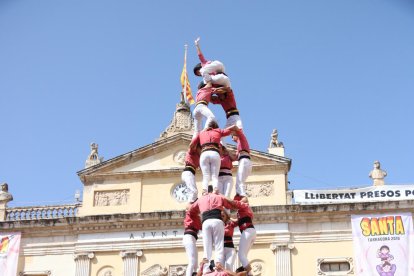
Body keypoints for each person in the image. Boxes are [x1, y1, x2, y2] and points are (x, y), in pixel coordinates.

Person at [188, 186, 241, 274]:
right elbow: (230, 205)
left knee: (207, 245)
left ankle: (205, 267)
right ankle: (218, 266)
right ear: (213, 191)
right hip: (217, 220)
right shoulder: (218, 196)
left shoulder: (201, 199)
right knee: (218, 245)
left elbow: (191, 210)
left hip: (206, 222)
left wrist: (199, 214)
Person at [190, 122, 239, 194]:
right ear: (215, 127)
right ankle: (215, 189)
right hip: (214, 153)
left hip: (204, 153)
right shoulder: (218, 131)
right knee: (214, 175)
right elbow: (229, 131)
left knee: (206, 175)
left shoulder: (201, 133)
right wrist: (234, 128)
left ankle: (204, 190)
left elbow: (192, 144)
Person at [233, 195, 256, 274]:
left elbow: (237, 203)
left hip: (247, 231)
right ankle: (245, 272)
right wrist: (228, 217)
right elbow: (237, 221)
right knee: (244, 256)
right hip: (251, 231)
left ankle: (250, 273)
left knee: (241, 254)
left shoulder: (244, 206)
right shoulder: (242, 211)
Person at [183, 201, 202, 276]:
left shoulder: (197, 217)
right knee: (192, 261)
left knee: (195, 264)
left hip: (192, 239)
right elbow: (188, 206)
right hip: (189, 237)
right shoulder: (190, 213)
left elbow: (203, 227)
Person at [231, 130, 252, 197]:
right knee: (238, 181)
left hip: (244, 160)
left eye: (232, 136)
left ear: (235, 135)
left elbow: (239, 131)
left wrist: (232, 128)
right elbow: (234, 158)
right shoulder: (238, 147)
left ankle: (242, 196)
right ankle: (239, 195)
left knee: (239, 180)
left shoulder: (241, 138)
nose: (232, 139)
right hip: (244, 161)